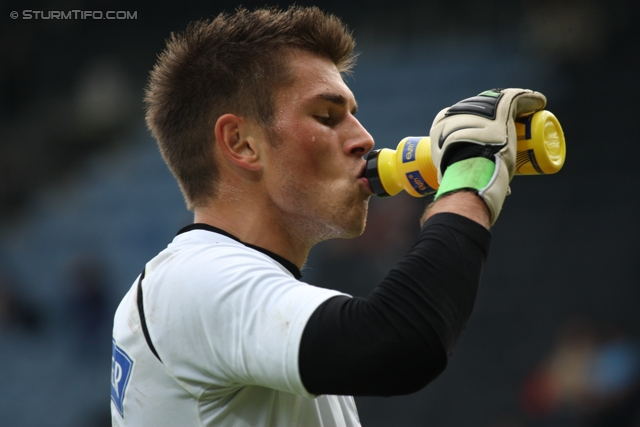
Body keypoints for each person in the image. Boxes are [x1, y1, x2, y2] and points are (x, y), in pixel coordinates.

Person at [110, 5, 546, 426]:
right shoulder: (191, 280)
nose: (365, 139)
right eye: (326, 115)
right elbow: (401, 343)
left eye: (353, 115)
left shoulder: (223, 290)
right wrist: (470, 185)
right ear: (241, 143)